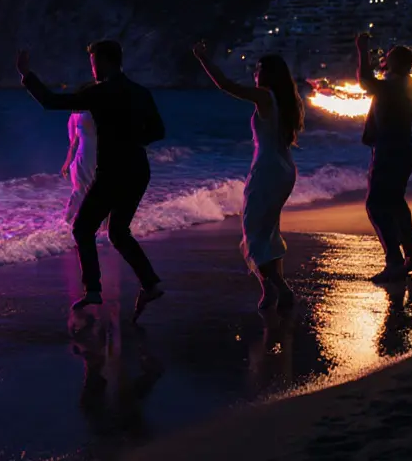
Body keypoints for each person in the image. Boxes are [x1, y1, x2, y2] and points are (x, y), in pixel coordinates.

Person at [16, 40, 166, 320]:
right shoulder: (140, 92)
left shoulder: (101, 92)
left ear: (107, 62)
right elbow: (158, 131)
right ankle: (151, 282)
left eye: (94, 63)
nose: (93, 69)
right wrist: (132, 141)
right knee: (119, 232)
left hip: (113, 171)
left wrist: (26, 75)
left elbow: (52, 102)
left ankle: (94, 290)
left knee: (83, 228)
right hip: (138, 169)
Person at [192, 43, 303, 310]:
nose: (255, 73)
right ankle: (270, 292)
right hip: (284, 168)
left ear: (269, 74)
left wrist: (203, 58)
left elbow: (226, 85)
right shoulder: (288, 100)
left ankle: (280, 289)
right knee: (268, 231)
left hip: (267, 170)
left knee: (253, 232)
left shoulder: (266, 97)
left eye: (259, 69)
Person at [355, 34, 412, 282]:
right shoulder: (402, 82)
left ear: (400, 64)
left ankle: (394, 260)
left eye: (389, 57)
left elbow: (365, 81)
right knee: (395, 202)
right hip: (400, 148)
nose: (385, 57)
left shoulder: (399, 83)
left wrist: (362, 50)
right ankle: (411, 254)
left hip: (392, 149)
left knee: (376, 204)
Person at [61, 91, 98, 225]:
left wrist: (67, 163)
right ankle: (72, 223)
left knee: (81, 191)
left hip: (89, 157)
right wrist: (67, 163)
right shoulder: (81, 115)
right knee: (87, 191)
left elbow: (73, 143)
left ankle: (69, 223)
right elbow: (73, 144)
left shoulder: (78, 115)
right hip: (90, 157)